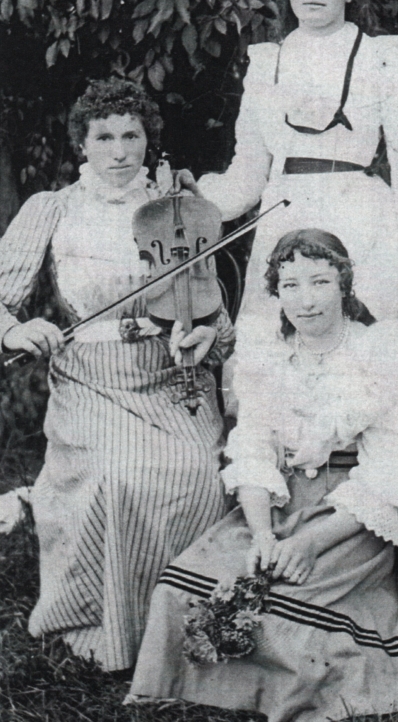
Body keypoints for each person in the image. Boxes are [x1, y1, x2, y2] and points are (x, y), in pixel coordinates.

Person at [127, 228, 398, 720]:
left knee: (292, 618)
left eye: (320, 282)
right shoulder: (267, 355)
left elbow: (397, 470)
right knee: (186, 589)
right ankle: (208, 683)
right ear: (275, 292)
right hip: (281, 501)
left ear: (344, 285)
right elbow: (255, 444)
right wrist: (262, 532)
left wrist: (310, 543)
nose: (305, 301)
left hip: (352, 513)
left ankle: (276, 687)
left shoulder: (380, 354)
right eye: (290, 286)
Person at [0, 78, 234, 672]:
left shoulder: (177, 211)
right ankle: (111, 627)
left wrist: (206, 335)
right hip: (89, 380)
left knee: (202, 477)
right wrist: (16, 330)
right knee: (120, 476)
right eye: (105, 136)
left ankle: (190, 630)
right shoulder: (52, 209)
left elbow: (217, 321)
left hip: (170, 376)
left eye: (132, 135)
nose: (120, 150)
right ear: (83, 142)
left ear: (148, 141)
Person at [195, 0, 398, 391]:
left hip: (364, 223)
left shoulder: (383, 60)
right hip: (283, 218)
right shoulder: (267, 63)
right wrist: (195, 202)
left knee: (368, 380)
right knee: (277, 382)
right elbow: (247, 177)